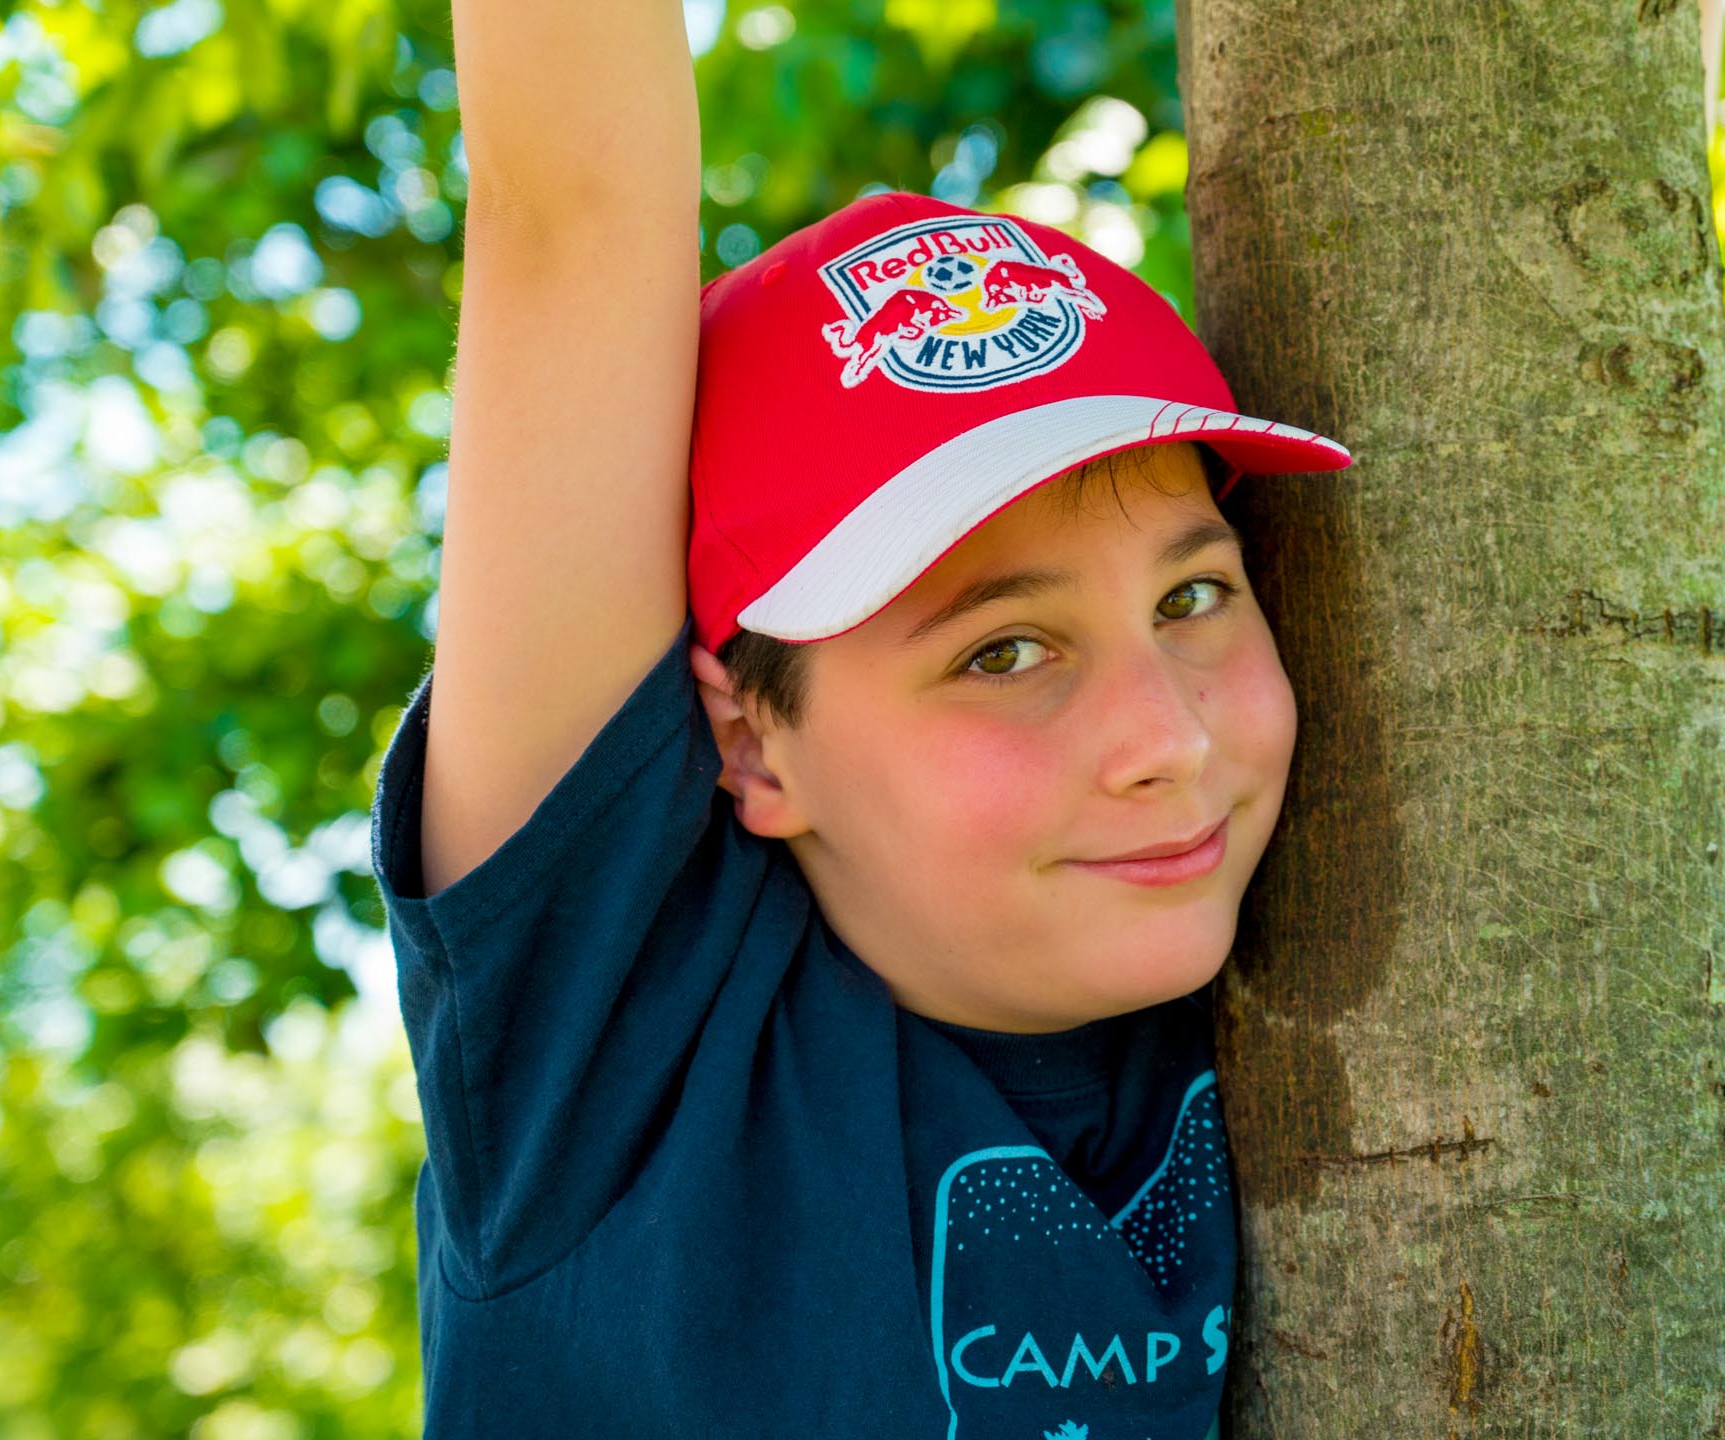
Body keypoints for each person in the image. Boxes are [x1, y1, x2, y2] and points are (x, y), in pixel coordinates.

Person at [368, 2, 1352, 1433]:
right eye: (1005, 651)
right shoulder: (614, 1052)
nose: (1173, 743)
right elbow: (569, 215)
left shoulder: (1327, 963)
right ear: (751, 742)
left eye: (1194, 599)